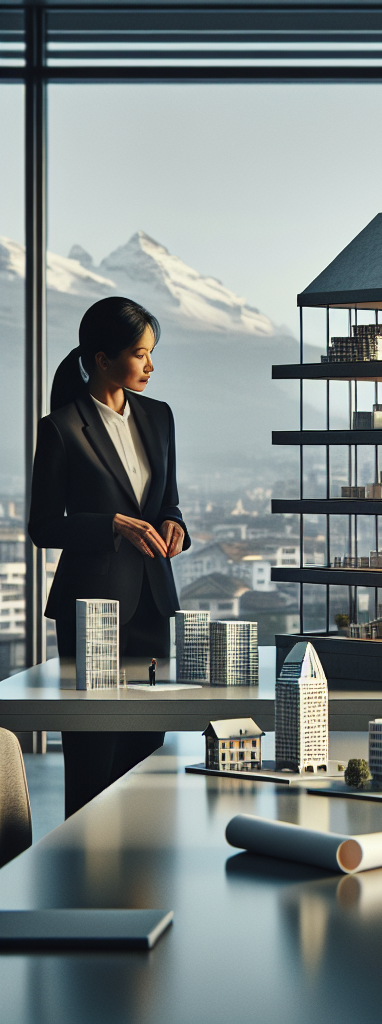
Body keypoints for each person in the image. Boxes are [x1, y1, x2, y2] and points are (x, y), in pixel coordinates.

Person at [29, 297, 190, 817]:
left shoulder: (160, 416)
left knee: (147, 752)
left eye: (152, 354)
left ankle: (141, 865)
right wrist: (112, 526)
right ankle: (87, 870)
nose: (150, 366)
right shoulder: (61, 427)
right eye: (140, 354)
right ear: (102, 358)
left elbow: (169, 501)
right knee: (94, 751)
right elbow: (44, 527)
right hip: (92, 608)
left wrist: (175, 525)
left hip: (152, 605)